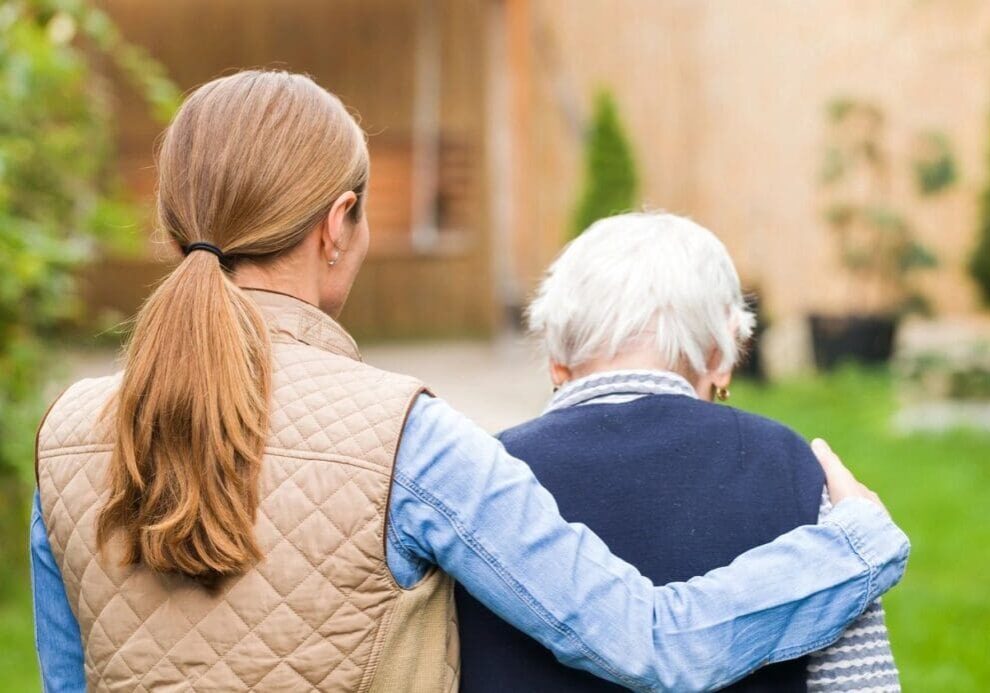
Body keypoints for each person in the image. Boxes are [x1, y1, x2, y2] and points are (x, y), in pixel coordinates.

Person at [31, 71, 908, 693]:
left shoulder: (64, 434)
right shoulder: (404, 437)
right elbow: (650, 642)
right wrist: (854, 546)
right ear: (340, 225)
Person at [456, 212, 901, 692]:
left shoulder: (481, 477)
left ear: (556, 360)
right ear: (722, 356)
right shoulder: (794, 467)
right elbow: (858, 680)